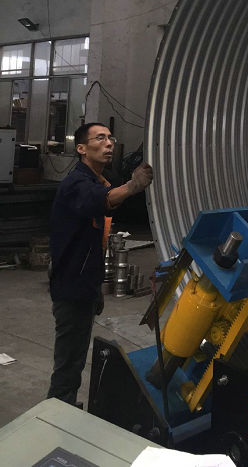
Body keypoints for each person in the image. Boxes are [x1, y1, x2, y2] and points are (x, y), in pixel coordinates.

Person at [47, 122, 153, 405]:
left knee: (75, 356)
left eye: (110, 138)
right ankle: (58, 411)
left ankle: (64, 406)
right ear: (82, 149)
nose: (109, 143)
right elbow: (101, 201)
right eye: (100, 138)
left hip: (83, 285)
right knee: (68, 363)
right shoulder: (77, 184)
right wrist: (132, 186)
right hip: (70, 287)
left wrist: (94, 287)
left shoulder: (96, 181)